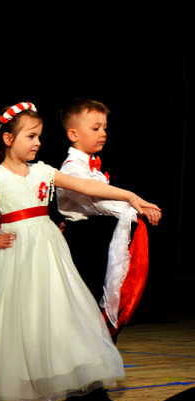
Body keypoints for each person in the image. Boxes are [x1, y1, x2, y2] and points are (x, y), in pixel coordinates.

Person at [0, 102, 161, 401]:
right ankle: (16, 400)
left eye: (39, 136)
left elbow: (88, 186)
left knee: (45, 319)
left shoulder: (43, 171)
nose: (37, 142)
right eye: (30, 136)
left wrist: (131, 196)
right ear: (8, 139)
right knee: (18, 321)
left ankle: (41, 391)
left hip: (46, 251)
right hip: (16, 255)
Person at [56, 99, 160, 342]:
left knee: (104, 296)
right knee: (87, 299)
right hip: (83, 239)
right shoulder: (71, 168)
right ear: (73, 133)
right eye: (95, 128)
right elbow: (98, 201)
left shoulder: (94, 168)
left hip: (98, 235)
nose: (103, 133)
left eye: (104, 128)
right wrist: (137, 210)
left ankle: (100, 358)